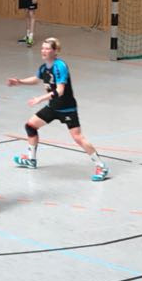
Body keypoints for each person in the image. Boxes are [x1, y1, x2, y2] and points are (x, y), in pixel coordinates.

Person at [8, 37, 109, 181]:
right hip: (53, 107)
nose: (43, 51)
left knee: (78, 138)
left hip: (66, 108)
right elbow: (36, 79)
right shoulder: (44, 68)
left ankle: (101, 166)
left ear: (55, 51)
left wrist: (40, 99)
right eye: (42, 48)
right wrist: (19, 82)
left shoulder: (60, 66)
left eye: (47, 48)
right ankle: (31, 159)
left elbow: (60, 91)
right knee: (30, 126)